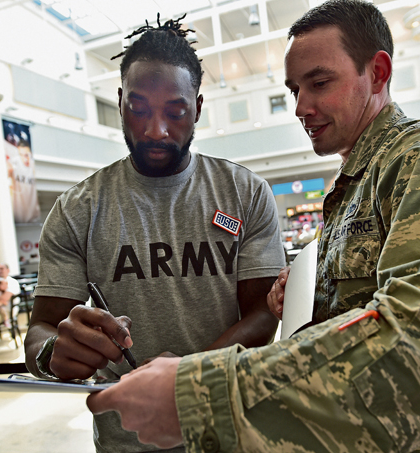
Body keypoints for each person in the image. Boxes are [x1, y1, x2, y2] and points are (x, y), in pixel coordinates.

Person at [86, 2, 420, 451]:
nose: (301, 107)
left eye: (319, 83)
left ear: (377, 72)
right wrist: (306, 294)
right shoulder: (359, 183)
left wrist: (201, 394)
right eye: (294, 89)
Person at [24, 15, 285, 453]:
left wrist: (185, 376)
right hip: (127, 439)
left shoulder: (244, 193)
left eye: (175, 112)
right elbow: (40, 332)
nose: (155, 130)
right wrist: (54, 353)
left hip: (227, 429)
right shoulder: (78, 209)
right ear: (121, 100)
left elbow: (263, 315)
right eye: (138, 109)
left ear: (198, 108)